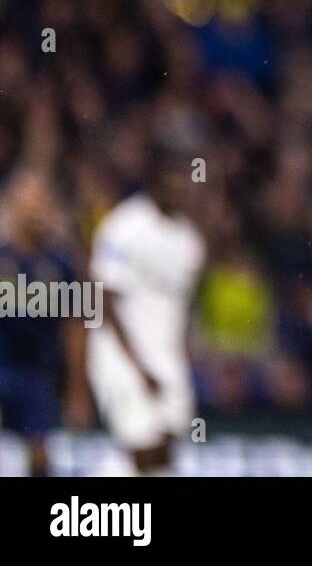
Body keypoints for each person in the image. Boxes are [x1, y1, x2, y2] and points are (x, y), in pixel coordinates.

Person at [87, 144, 206, 474]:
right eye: (174, 178)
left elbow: (183, 309)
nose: (182, 187)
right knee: (144, 447)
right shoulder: (124, 226)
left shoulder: (190, 241)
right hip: (121, 355)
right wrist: (138, 367)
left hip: (167, 357)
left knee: (166, 449)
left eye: (187, 180)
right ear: (156, 180)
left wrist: (181, 357)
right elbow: (102, 300)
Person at [0, 170, 89, 476]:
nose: (37, 210)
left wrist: (78, 389)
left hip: (39, 375)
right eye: (30, 202)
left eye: (43, 202)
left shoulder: (62, 264)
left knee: (39, 458)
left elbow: (75, 327)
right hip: (2, 367)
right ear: (12, 205)